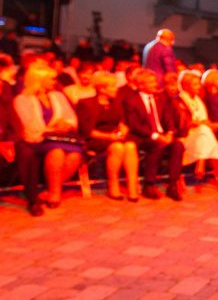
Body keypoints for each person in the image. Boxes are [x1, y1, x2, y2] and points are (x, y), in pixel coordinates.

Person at [13, 63, 84, 208]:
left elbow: (71, 117)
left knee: (75, 155)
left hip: (59, 137)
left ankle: (50, 190)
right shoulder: (22, 100)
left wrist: (66, 124)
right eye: (51, 79)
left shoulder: (58, 96)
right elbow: (28, 126)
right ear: (39, 80)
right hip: (38, 139)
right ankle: (55, 194)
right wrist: (51, 128)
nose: (54, 82)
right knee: (56, 152)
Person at [0, 59, 43, 220]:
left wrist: (10, 142)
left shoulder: (3, 100)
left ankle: (33, 199)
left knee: (27, 153)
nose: (0, 83)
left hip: (5, 140)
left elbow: (15, 124)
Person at [122, 68, 184, 201]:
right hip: (144, 137)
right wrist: (156, 136)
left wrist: (170, 133)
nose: (155, 84)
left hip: (163, 134)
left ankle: (172, 185)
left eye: (155, 81)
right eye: (151, 82)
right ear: (141, 85)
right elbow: (135, 125)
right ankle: (149, 185)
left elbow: (169, 119)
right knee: (157, 145)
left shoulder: (161, 98)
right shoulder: (131, 100)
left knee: (178, 145)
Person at [76, 72, 139, 201]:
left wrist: (123, 130)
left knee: (130, 146)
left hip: (115, 135)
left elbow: (123, 121)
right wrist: (110, 137)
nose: (116, 88)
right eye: (112, 86)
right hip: (96, 138)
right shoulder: (86, 103)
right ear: (101, 89)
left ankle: (132, 187)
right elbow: (87, 131)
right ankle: (113, 185)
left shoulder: (117, 102)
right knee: (117, 147)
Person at [177, 70, 218, 188]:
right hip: (185, 135)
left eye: (198, 84)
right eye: (195, 84)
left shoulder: (198, 100)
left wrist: (207, 124)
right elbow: (179, 123)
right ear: (185, 86)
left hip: (201, 135)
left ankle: (202, 163)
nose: (199, 87)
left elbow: (204, 120)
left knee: (205, 131)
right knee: (204, 131)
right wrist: (198, 123)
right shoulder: (178, 100)